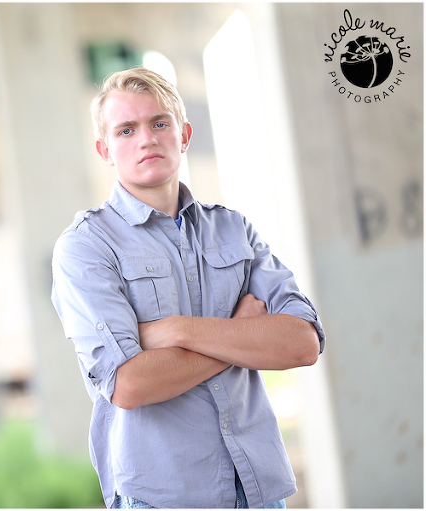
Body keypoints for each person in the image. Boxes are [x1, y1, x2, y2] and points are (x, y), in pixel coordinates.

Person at [50, 68, 325, 509]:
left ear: (184, 135)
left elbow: (301, 344)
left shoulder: (233, 229)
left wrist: (177, 330)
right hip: (162, 496)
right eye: (126, 129)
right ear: (105, 149)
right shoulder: (86, 247)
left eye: (160, 123)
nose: (147, 139)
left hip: (257, 489)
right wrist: (238, 336)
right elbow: (129, 385)